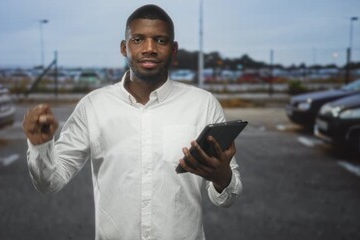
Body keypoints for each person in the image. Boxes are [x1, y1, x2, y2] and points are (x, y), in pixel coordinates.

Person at [23, 4, 242, 240]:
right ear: (124, 48)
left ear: (174, 49)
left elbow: (227, 197)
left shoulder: (203, 105)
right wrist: (41, 147)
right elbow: (50, 183)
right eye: (138, 40)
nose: (149, 48)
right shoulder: (93, 106)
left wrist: (222, 178)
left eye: (160, 40)